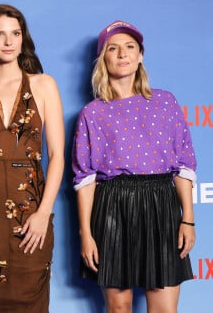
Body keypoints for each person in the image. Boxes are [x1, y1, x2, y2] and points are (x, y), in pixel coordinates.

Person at [73, 20, 196, 312]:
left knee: (165, 308)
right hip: (114, 206)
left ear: (140, 55)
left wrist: (188, 218)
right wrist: (86, 234)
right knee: (119, 307)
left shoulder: (165, 102)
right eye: (113, 49)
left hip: (161, 204)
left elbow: (183, 165)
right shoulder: (93, 113)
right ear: (103, 58)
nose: (122, 54)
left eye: (130, 47)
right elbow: (85, 180)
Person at [0, 4, 65, 312]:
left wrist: (43, 214)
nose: (9, 41)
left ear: (23, 38)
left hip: (30, 218)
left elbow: (57, 155)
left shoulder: (43, 85)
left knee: (29, 300)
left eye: (15, 33)